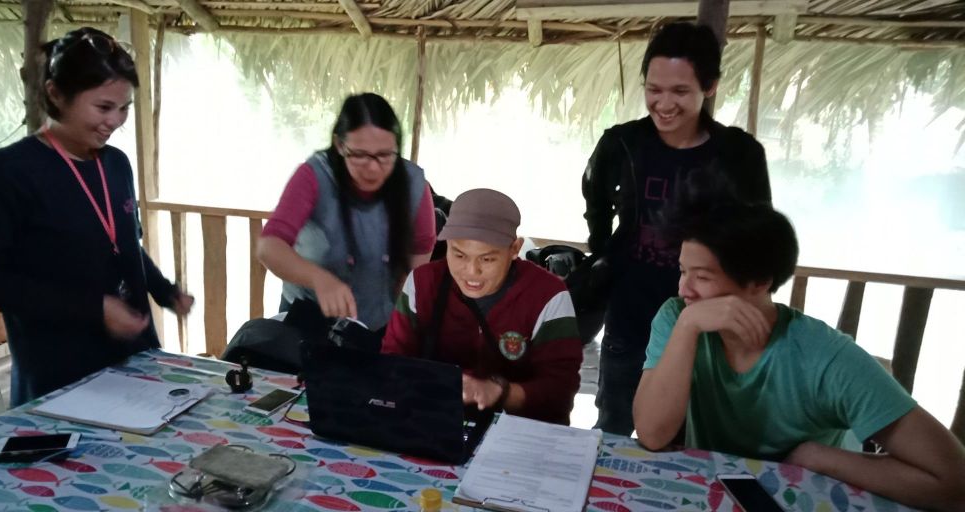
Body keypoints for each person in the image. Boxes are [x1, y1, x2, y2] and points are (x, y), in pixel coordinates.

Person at [633, 201, 965, 511]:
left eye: (702, 277)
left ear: (760, 281)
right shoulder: (679, 317)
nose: (683, 289)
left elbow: (954, 482)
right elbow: (651, 433)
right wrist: (688, 326)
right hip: (714, 493)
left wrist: (817, 457)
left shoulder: (824, 356)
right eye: (682, 271)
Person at [0, 27, 193, 407]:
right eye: (102, 107)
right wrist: (93, 308)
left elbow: (124, 244)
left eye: (124, 107)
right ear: (56, 94)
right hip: (58, 373)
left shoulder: (117, 165)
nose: (115, 121)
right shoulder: (8, 172)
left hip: (136, 361)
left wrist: (164, 291)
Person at [582, 21, 772, 436]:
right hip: (630, 313)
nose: (663, 104)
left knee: (691, 431)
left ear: (710, 87)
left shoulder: (739, 155)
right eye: (654, 89)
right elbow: (594, 201)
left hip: (706, 320)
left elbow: (760, 238)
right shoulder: (622, 143)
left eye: (680, 92)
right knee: (613, 424)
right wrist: (605, 256)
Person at [382, 189, 583, 425]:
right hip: (434, 424)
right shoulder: (422, 283)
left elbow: (560, 391)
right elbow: (392, 362)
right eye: (459, 255)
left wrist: (501, 393)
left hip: (520, 434)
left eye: (487, 259)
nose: (471, 271)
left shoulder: (548, 295)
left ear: (514, 249)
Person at [257, 93, 436, 332]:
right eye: (359, 155)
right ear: (340, 144)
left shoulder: (413, 184)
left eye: (385, 155)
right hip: (306, 320)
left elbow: (421, 249)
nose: (373, 167)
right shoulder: (313, 175)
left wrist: (402, 310)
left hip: (378, 324)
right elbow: (269, 246)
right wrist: (319, 278)